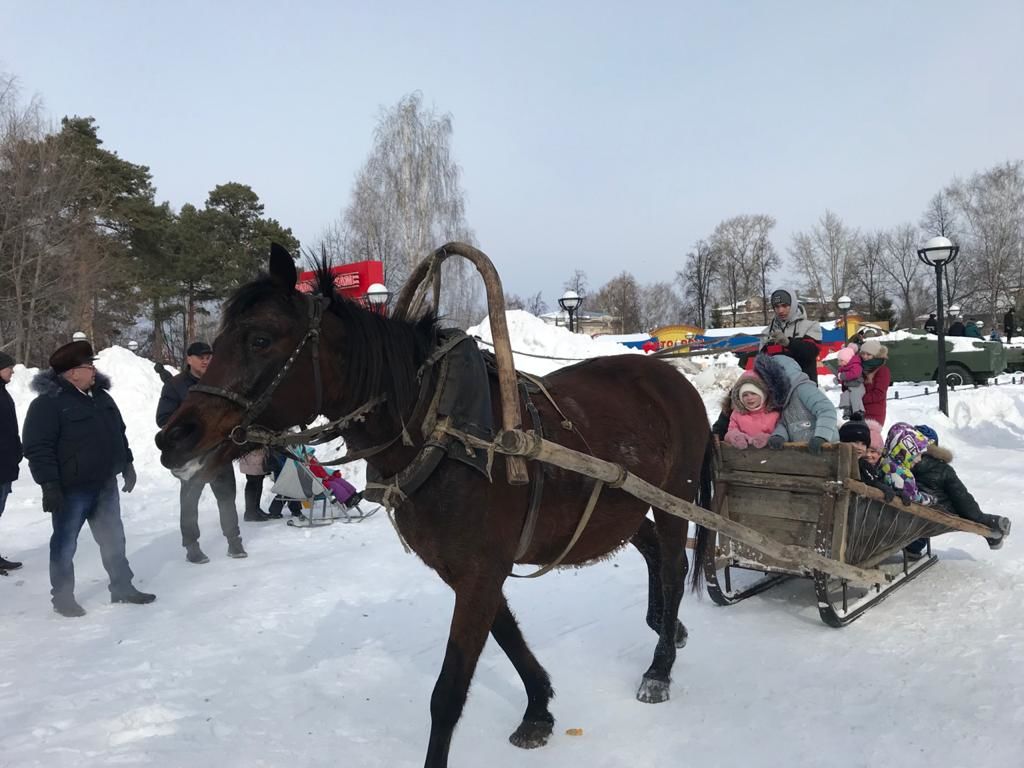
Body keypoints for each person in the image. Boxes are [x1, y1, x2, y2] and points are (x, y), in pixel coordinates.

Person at [22, 340, 155, 617]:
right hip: (71, 490)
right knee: (65, 542)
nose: (93, 370)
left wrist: (127, 463)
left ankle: (122, 587)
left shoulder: (102, 397)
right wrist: (49, 485)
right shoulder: (47, 404)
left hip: (105, 483)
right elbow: (38, 448)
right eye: (88, 365)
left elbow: (119, 431)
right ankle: (62, 597)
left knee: (114, 538)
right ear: (72, 373)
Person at [156, 341, 246, 564]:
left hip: (219, 450)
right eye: (200, 356)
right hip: (191, 455)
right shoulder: (175, 386)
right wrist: (189, 424)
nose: (206, 360)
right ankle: (191, 545)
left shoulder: (220, 381)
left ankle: (234, 540)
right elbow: (162, 419)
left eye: (208, 356)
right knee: (190, 502)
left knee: (227, 498)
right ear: (188, 359)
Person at [903, 425, 1012, 556]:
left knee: (916, 511)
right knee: (955, 506)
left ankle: (913, 546)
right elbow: (962, 498)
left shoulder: (897, 465)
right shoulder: (943, 470)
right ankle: (991, 523)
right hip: (934, 517)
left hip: (900, 518)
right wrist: (980, 517)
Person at [754, 352, 839, 454]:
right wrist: (779, 436)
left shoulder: (803, 388)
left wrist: (821, 437)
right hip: (803, 452)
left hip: (826, 449)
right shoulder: (783, 399)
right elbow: (785, 423)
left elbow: (826, 410)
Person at [760, 288, 823, 384]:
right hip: (777, 390)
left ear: (793, 305)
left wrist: (789, 343)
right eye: (776, 307)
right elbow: (763, 363)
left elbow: (811, 352)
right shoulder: (767, 332)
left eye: (785, 306)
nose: (780, 310)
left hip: (804, 387)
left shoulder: (810, 326)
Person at [0, 352, 23, 573]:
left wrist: (17, 451)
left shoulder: (3, 392)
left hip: (5, 465)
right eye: (9, 367)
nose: (13, 371)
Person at [879, 423, 935, 506]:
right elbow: (915, 498)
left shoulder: (882, 460)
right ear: (907, 450)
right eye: (917, 454)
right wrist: (931, 499)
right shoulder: (902, 474)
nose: (919, 459)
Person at [723, 372, 780, 449]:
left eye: (753, 393)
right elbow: (732, 430)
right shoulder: (737, 414)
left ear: (762, 395)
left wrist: (768, 438)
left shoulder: (774, 414)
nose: (749, 398)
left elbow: (780, 432)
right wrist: (736, 436)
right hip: (742, 456)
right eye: (745, 395)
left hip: (769, 456)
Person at [859, 339, 891, 426]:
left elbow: (879, 394)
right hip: (859, 411)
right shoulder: (858, 368)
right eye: (863, 353)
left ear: (876, 355)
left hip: (874, 414)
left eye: (869, 354)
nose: (865, 357)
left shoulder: (883, 370)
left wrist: (859, 399)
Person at [239, 448, 272, 522]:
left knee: (259, 480)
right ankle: (250, 512)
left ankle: (256, 508)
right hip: (252, 454)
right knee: (252, 482)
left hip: (257, 455)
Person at [836, 344, 865, 420]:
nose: (840, 363)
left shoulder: (856, 365)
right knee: (845, 396)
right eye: (839, 361)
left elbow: (855, 374)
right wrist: (838, 379)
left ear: (848, 360)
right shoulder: (843, 367)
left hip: (857, 385)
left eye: (841, 361)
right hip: (848, 387)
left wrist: (843, 376)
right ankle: (847, 409)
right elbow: (840, 376)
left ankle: (858, 411)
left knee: (855, 397)